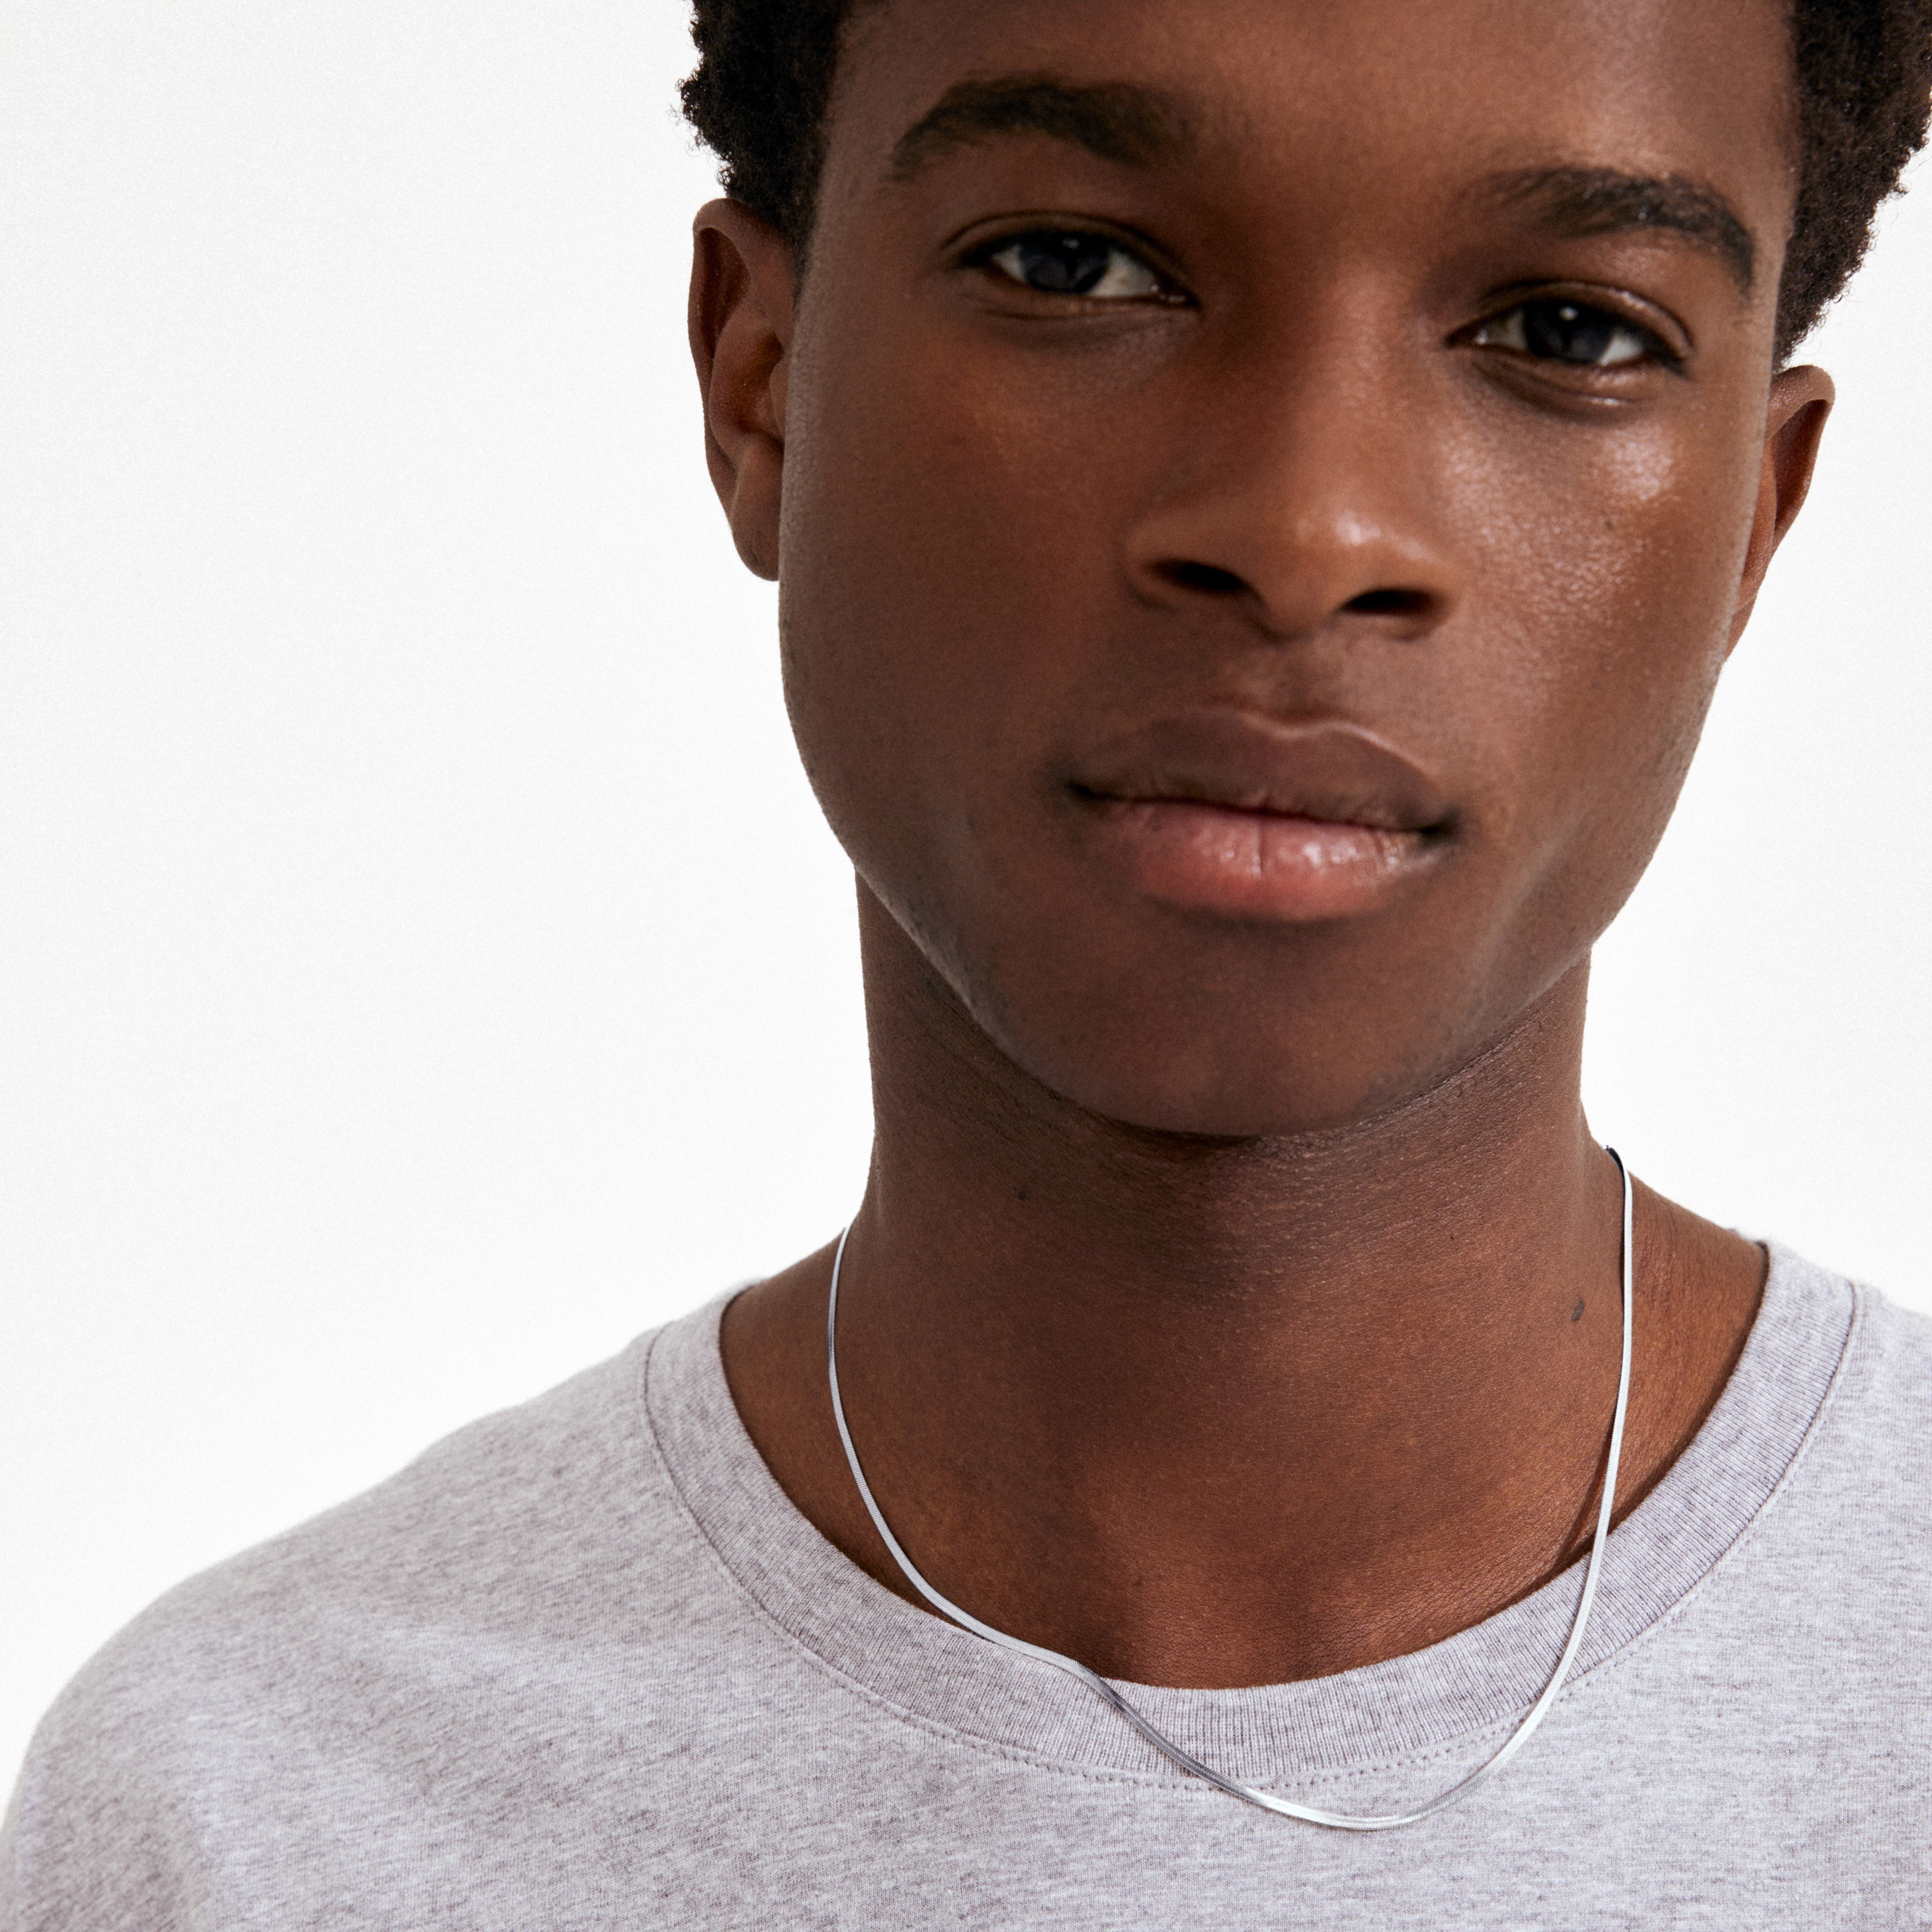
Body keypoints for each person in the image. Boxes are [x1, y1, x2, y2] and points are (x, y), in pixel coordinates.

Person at [6, 0, 1931, 1921]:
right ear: (761, 382)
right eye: (1074, 266)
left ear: (1752, 523)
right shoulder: (256, 1815)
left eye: (1569, 331)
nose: (1304, 530)